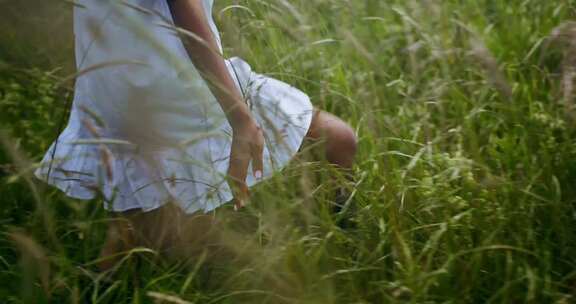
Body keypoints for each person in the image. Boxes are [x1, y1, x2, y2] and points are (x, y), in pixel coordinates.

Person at [35, 0, 357, 270]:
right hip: (176, 85)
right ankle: (344, 250)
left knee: (137, 240)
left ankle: (339, 247)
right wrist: (241, 119)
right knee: (338, 141)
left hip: (120, 90)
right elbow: (184, 11)